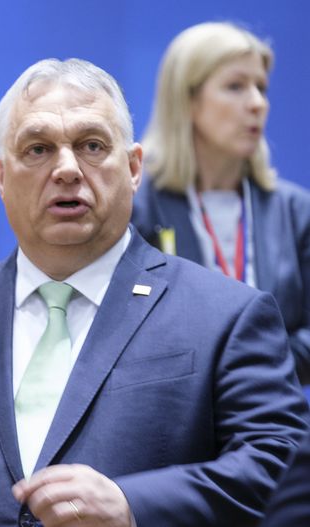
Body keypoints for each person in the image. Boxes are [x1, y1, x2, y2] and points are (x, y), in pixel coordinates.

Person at [0, 59, 309, 527]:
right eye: (38, 149)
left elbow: (279, 462)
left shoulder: (227, 316)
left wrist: (134, 507)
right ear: (1, 176)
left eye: (92, 145)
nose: (67, 169)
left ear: (134, 167)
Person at [131, 22, 310, 384]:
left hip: (274, 411)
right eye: (236, 86)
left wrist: (256, 369)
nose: (257, 103)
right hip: (174, 414)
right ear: (187, 99)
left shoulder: (296, 211)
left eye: (261, 87)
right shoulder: (137, 207)